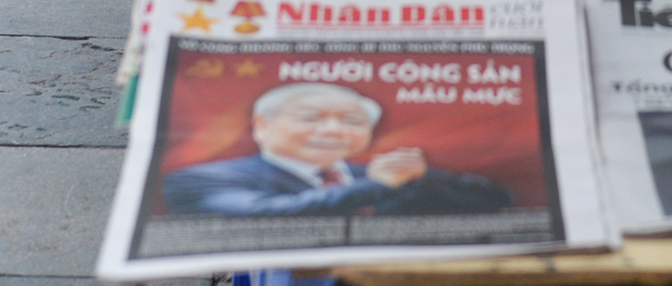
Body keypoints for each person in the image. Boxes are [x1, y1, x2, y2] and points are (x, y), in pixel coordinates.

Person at [161, 83, 515, 216]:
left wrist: (424, 178)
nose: (333, 130)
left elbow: (496, 203)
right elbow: (265, 213)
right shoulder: (199, 178)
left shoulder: (382, 172)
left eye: (352, 121)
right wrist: (378, 186)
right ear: (262, 125)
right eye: (311, 117)